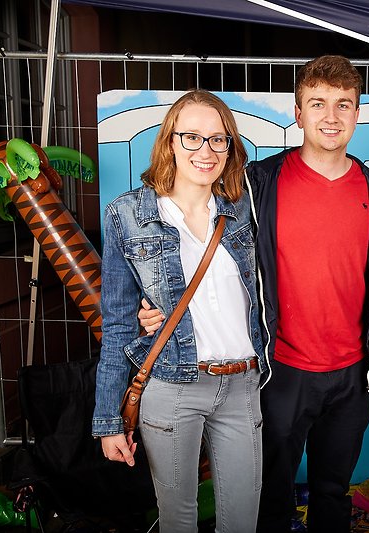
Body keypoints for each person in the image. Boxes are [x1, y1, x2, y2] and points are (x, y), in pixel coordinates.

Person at [140, 55, 369, 533]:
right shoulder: (256, 184)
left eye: (343, 104)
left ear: (358, 113)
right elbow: (190, 225)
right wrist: (155, 301)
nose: (331, 116)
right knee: (271, 498)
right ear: (297, 113)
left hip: (351, 373)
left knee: (333, 492)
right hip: (280, 369)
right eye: (317, 103)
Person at [93, 89, 268, 532]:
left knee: (242, 521)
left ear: (230, 147)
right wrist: (109, 420)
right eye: (192, 137)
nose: (205, 151)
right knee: (178, 520)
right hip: (172, 386)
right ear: (170, 141)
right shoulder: (127, 215)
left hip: (242, 384)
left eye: (218, 139)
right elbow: (117, 325)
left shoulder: (245, 210)